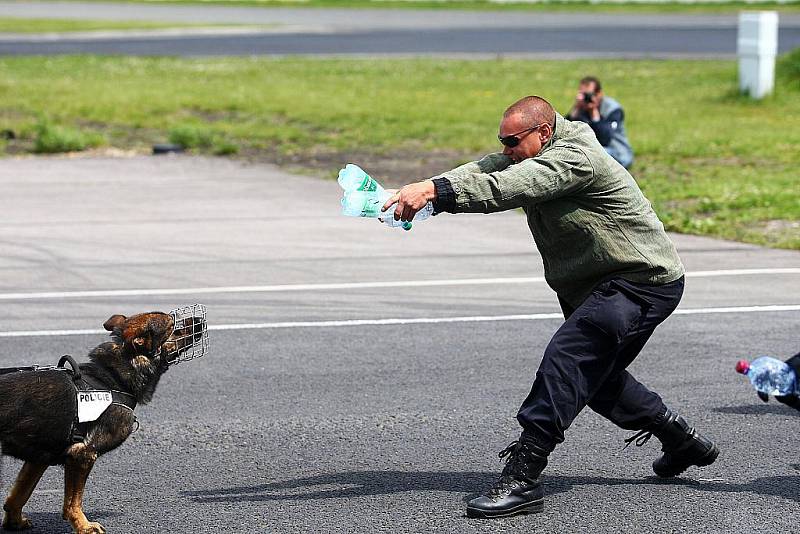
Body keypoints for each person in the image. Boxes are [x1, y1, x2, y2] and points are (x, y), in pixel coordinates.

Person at [381, 95, 719, 519]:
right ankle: (681, 440)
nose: (506, 149)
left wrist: (437, 192)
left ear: (543, 132)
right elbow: (487, 169)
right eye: (501, 140)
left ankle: (523, 476)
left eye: (512, 140)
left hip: (640, 282)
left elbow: (509, 186)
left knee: (569, 360)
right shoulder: (533, 150)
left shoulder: (574, 159)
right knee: (596, 379)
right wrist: (424, 190)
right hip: (599, 285)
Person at [567, 76, 634, 169]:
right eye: (582, 94)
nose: (586, 98)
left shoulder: (612, 109)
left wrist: (594, 113)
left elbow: (605, 138)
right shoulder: (582, 108)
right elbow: (565, 131)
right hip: (595, 151)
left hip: (618, 153)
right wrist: (576, 109)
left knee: (587, 154)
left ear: (599, 94)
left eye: (588, 95)